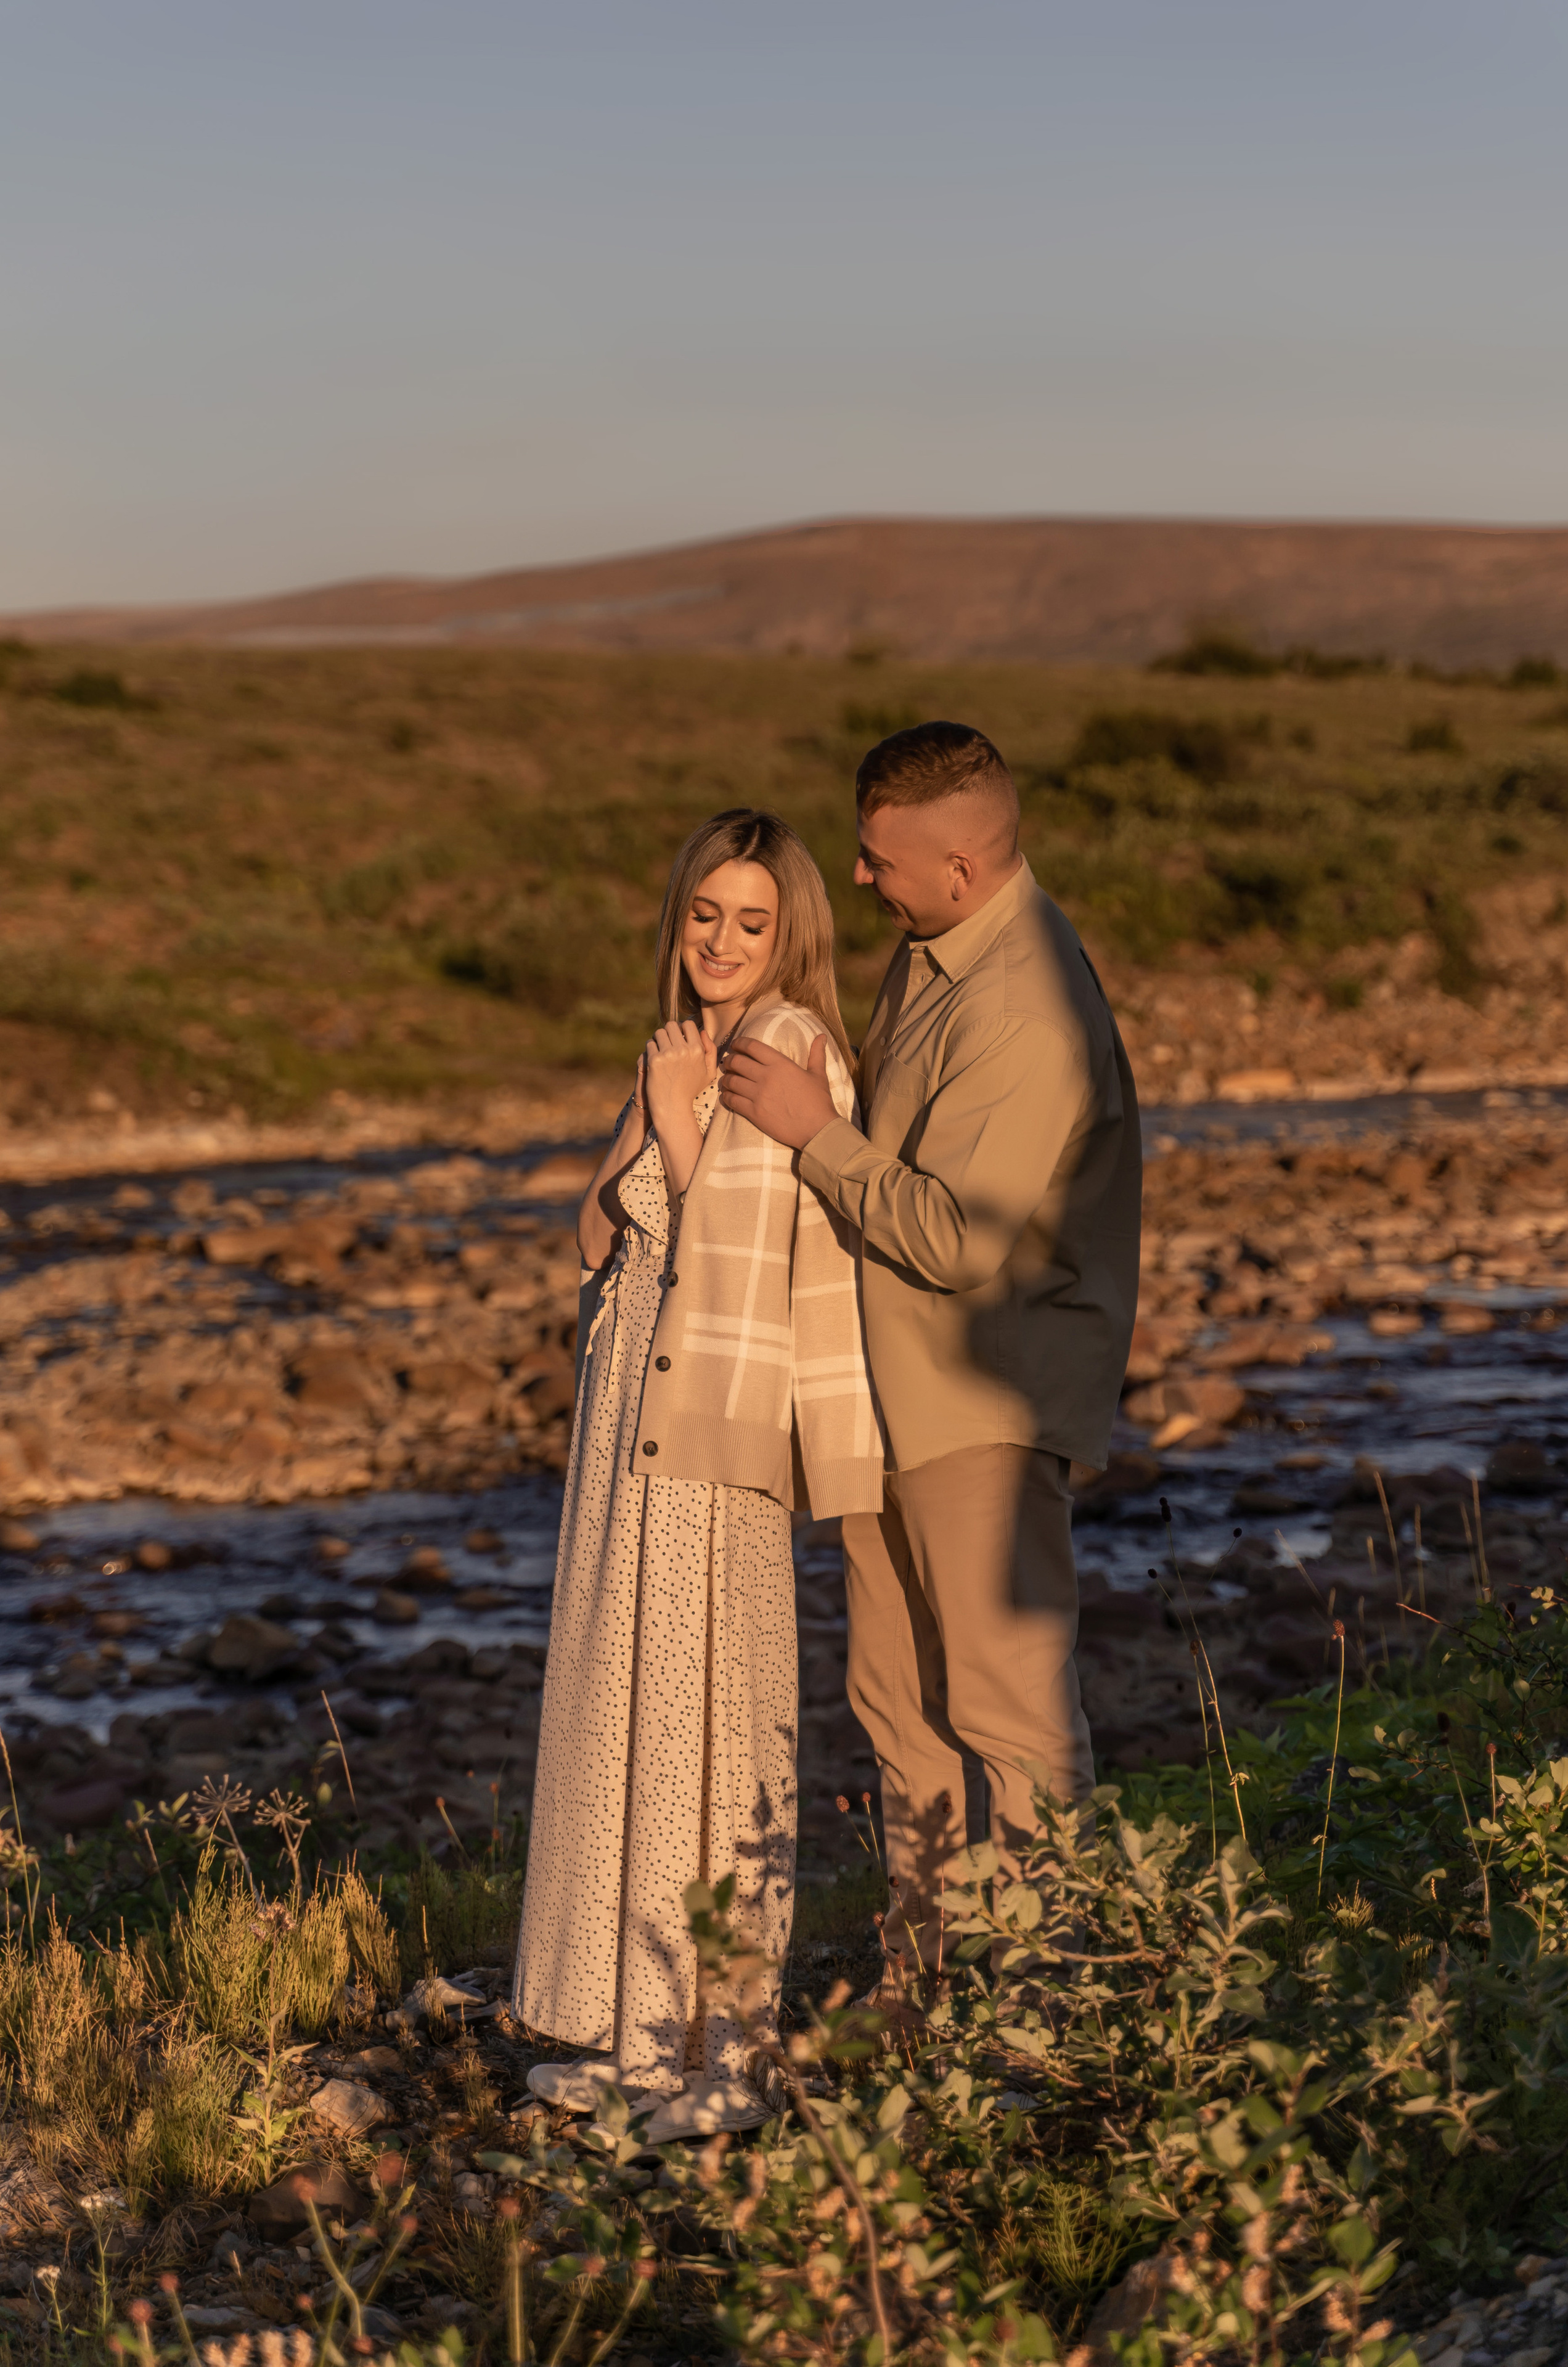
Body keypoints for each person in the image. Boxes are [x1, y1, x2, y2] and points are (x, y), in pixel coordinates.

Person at [719, 721, 1142, 1984]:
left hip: (981, 1405)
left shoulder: (1023, 1006)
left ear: (959, 868)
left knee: (1007, 1711)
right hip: (884, 1395)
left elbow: (960, 1239)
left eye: (878, 860)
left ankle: (1049, 2005)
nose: (858, 877)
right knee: (897, 1706)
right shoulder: (933, 949)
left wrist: (811, 1133)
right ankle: (927, 1991)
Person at [513, 807, 883, 2138]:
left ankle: (725, 2058)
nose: (722, 942)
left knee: (710, 1724)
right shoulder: (684, 1046)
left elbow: (739, 1259)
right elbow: (588, 1236)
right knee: (630, 1712)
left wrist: (672, 1127)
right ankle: (637, 2040)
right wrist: (654, 1109)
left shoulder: (786, 1047)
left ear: (790, 935)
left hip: (709, 1419)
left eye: (751, 922)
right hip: (629, 1412)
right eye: (704, 916)